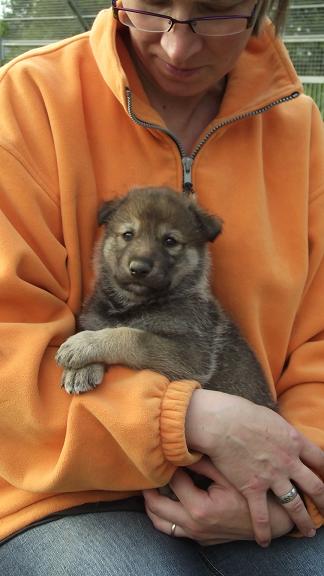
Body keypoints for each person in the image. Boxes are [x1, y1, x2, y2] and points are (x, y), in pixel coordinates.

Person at [0, 0, 323, 574]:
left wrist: (297, 485)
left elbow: (319, 342)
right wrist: (185, 422)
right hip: (59, 486)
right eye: (151, 8)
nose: (178, 47)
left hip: (261, 473)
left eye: (217, 13)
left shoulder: (300, 129)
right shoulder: (28, 103)